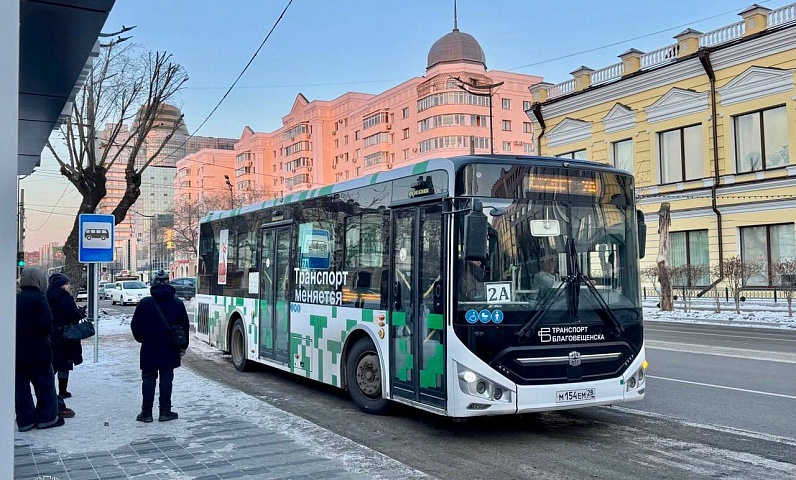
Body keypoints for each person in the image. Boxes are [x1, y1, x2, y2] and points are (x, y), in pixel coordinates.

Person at [131, 270, 190, 423]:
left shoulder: (145, 303)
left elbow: (135, 326)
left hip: (149, 346)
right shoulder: (177, 303)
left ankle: (146, 412)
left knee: (148, 379)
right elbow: (185, 326)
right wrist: (183, 346)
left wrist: (142, 339)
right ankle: (165, 411)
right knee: (166, 379)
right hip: (170, 347)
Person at [15, 268, 65, 430]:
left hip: (17, 352)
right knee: (45, 385)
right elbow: (46, 325)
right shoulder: (39, 298)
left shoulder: (15, 299)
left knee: (20, 388)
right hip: (38, 351)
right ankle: (47, 418)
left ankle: (25, 419)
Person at [46, 273, 84, 413]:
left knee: (53, 363)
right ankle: (63, 390)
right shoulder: (65, 298)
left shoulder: (46, 296)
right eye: (67, 284)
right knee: (65, 362)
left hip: (51, 334)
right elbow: (73, 315)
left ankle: (51, 388)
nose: (69, 286)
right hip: (66, 334)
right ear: (61, 285)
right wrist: (80, 313)